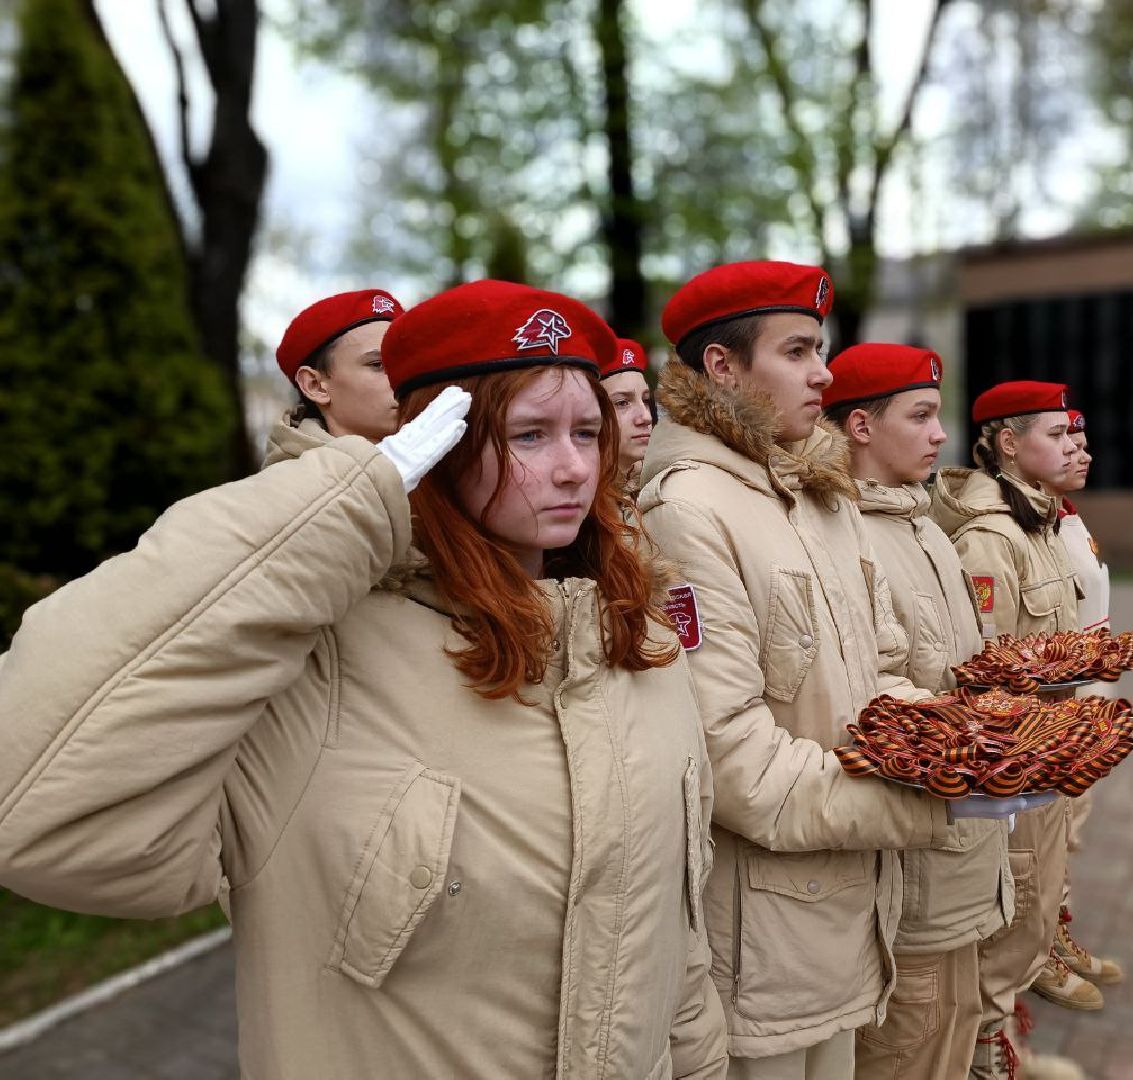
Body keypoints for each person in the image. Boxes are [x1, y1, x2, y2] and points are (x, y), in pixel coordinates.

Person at [0, 280, 729, 1079]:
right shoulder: (320, 664)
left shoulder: (637, 637)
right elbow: (32, 812)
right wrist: (345, 499)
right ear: (438, 444)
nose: (571, 470)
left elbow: (673, 952)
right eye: (527, 435)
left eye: (586, 432)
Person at [637, 261, 988, 1079]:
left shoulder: (819, 499)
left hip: (852, 907)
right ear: (722, 368)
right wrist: (925, 806)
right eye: (797, 351)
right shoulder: (688, 509)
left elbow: (885, 669)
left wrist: (959, 745)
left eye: (820, 349)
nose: (824, 373)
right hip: (764, 939)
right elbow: (730, 760)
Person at [822, 342, 1014, 1080]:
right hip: (919, 861)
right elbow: (876, 697)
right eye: (922, 415)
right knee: (911, 1040)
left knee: (955, 1022)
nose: (941, 434)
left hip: (969, 844)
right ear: (861, 426)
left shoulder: (925, 524)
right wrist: (988, 735)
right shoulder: (847, 537)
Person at [928, 381, 1090, 1079]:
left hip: (1050, 751)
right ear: (1007, 444)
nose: (1071, 445)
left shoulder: (1041, 524)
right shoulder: (992, 540)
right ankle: (984, 1059)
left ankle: (1002, 1045)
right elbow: (981, 668)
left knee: (1035, 910)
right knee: (1009, 920)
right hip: (1016, 763)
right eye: (1053, 434)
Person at [1037, 407, 1125, 1003]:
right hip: (1054, 706)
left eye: (1082, 438)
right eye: (1062, 436)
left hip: (1087, 699)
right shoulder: (1024, 527)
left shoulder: (1064, 518)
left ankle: (1055, 936)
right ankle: (1039, 952)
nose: (1079, 450)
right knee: (1044, 836)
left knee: (1069, 833)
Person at [270, 288, 405, 456]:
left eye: (405, 362)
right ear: (315, 386)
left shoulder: (436, 469)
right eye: (377, 364)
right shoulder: (290, 482)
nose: (404, 376)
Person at [600, 336, 656, 487]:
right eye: (622, 403)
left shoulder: (657, 488)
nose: (646, 417)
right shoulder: (581, 504)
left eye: (645, 400)